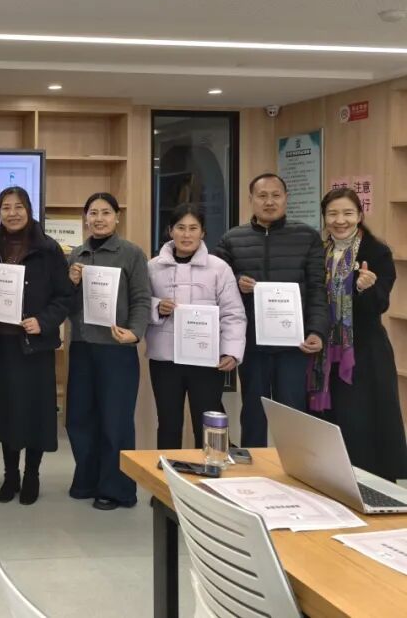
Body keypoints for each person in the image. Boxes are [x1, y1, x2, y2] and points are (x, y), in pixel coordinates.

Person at [0, 186, 72, 505]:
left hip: (34, 345)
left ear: (29, 209)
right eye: (6, 207)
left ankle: (32, 474)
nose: (12, 213)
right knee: (6, 412)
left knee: (34, 413)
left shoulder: (49, 249)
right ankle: (10, 474)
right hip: (0, 342)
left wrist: (43, 321)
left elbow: (64, 297)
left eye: (18, 207)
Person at [215, 174, 328, 447]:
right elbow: (217, 285)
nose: (269, 202)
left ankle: (296, 467)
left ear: (286, 198)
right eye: (262, 196)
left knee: (292, 411)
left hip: (294, 343)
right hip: (252, 341)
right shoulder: (232, 239)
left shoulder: (307, 237)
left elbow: (317, 288)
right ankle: (253, 467)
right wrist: (237, 282)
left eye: (276, 195)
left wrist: (317, 330)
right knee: (253, 411)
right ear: (251, 199)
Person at [307, 188, 407, 481]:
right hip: (323, 351)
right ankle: (331, 481)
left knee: (361, 420)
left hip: (363, 352)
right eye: (333, 214)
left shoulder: (376, 252)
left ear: (360, 215)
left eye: (348, 213)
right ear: (324, 217)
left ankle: (368, 485)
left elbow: (380, 304)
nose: (340, 220)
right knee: (331, 420)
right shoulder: (318, 251)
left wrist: (365, 288)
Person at [66, 192, 151, 510]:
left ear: (117, 217)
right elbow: (66, 304)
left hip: (117, 348)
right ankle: (87, 479)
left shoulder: (131, 253)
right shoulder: (77, 255)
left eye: (105, 212)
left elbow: (142, 298)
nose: (98, 218)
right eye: (93, 213)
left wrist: (135, 332)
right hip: (82, 346)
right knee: (80, 418)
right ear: (85, 218)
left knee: (115, 420)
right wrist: (71, 283)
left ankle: (116, 488)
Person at [146, 204, 246, 450]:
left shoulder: (219, 268)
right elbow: (139, 304)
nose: (186, 234)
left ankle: (210, 472)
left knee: (207, 423)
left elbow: (233, 313)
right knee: (168, 423)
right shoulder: (153, 267)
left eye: (193, 228)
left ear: (203, 232)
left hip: (206, 360)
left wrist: (231, 351)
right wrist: (157, 306)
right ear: (170, 231)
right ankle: (166, 474)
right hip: (165, 359)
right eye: (180, 228)